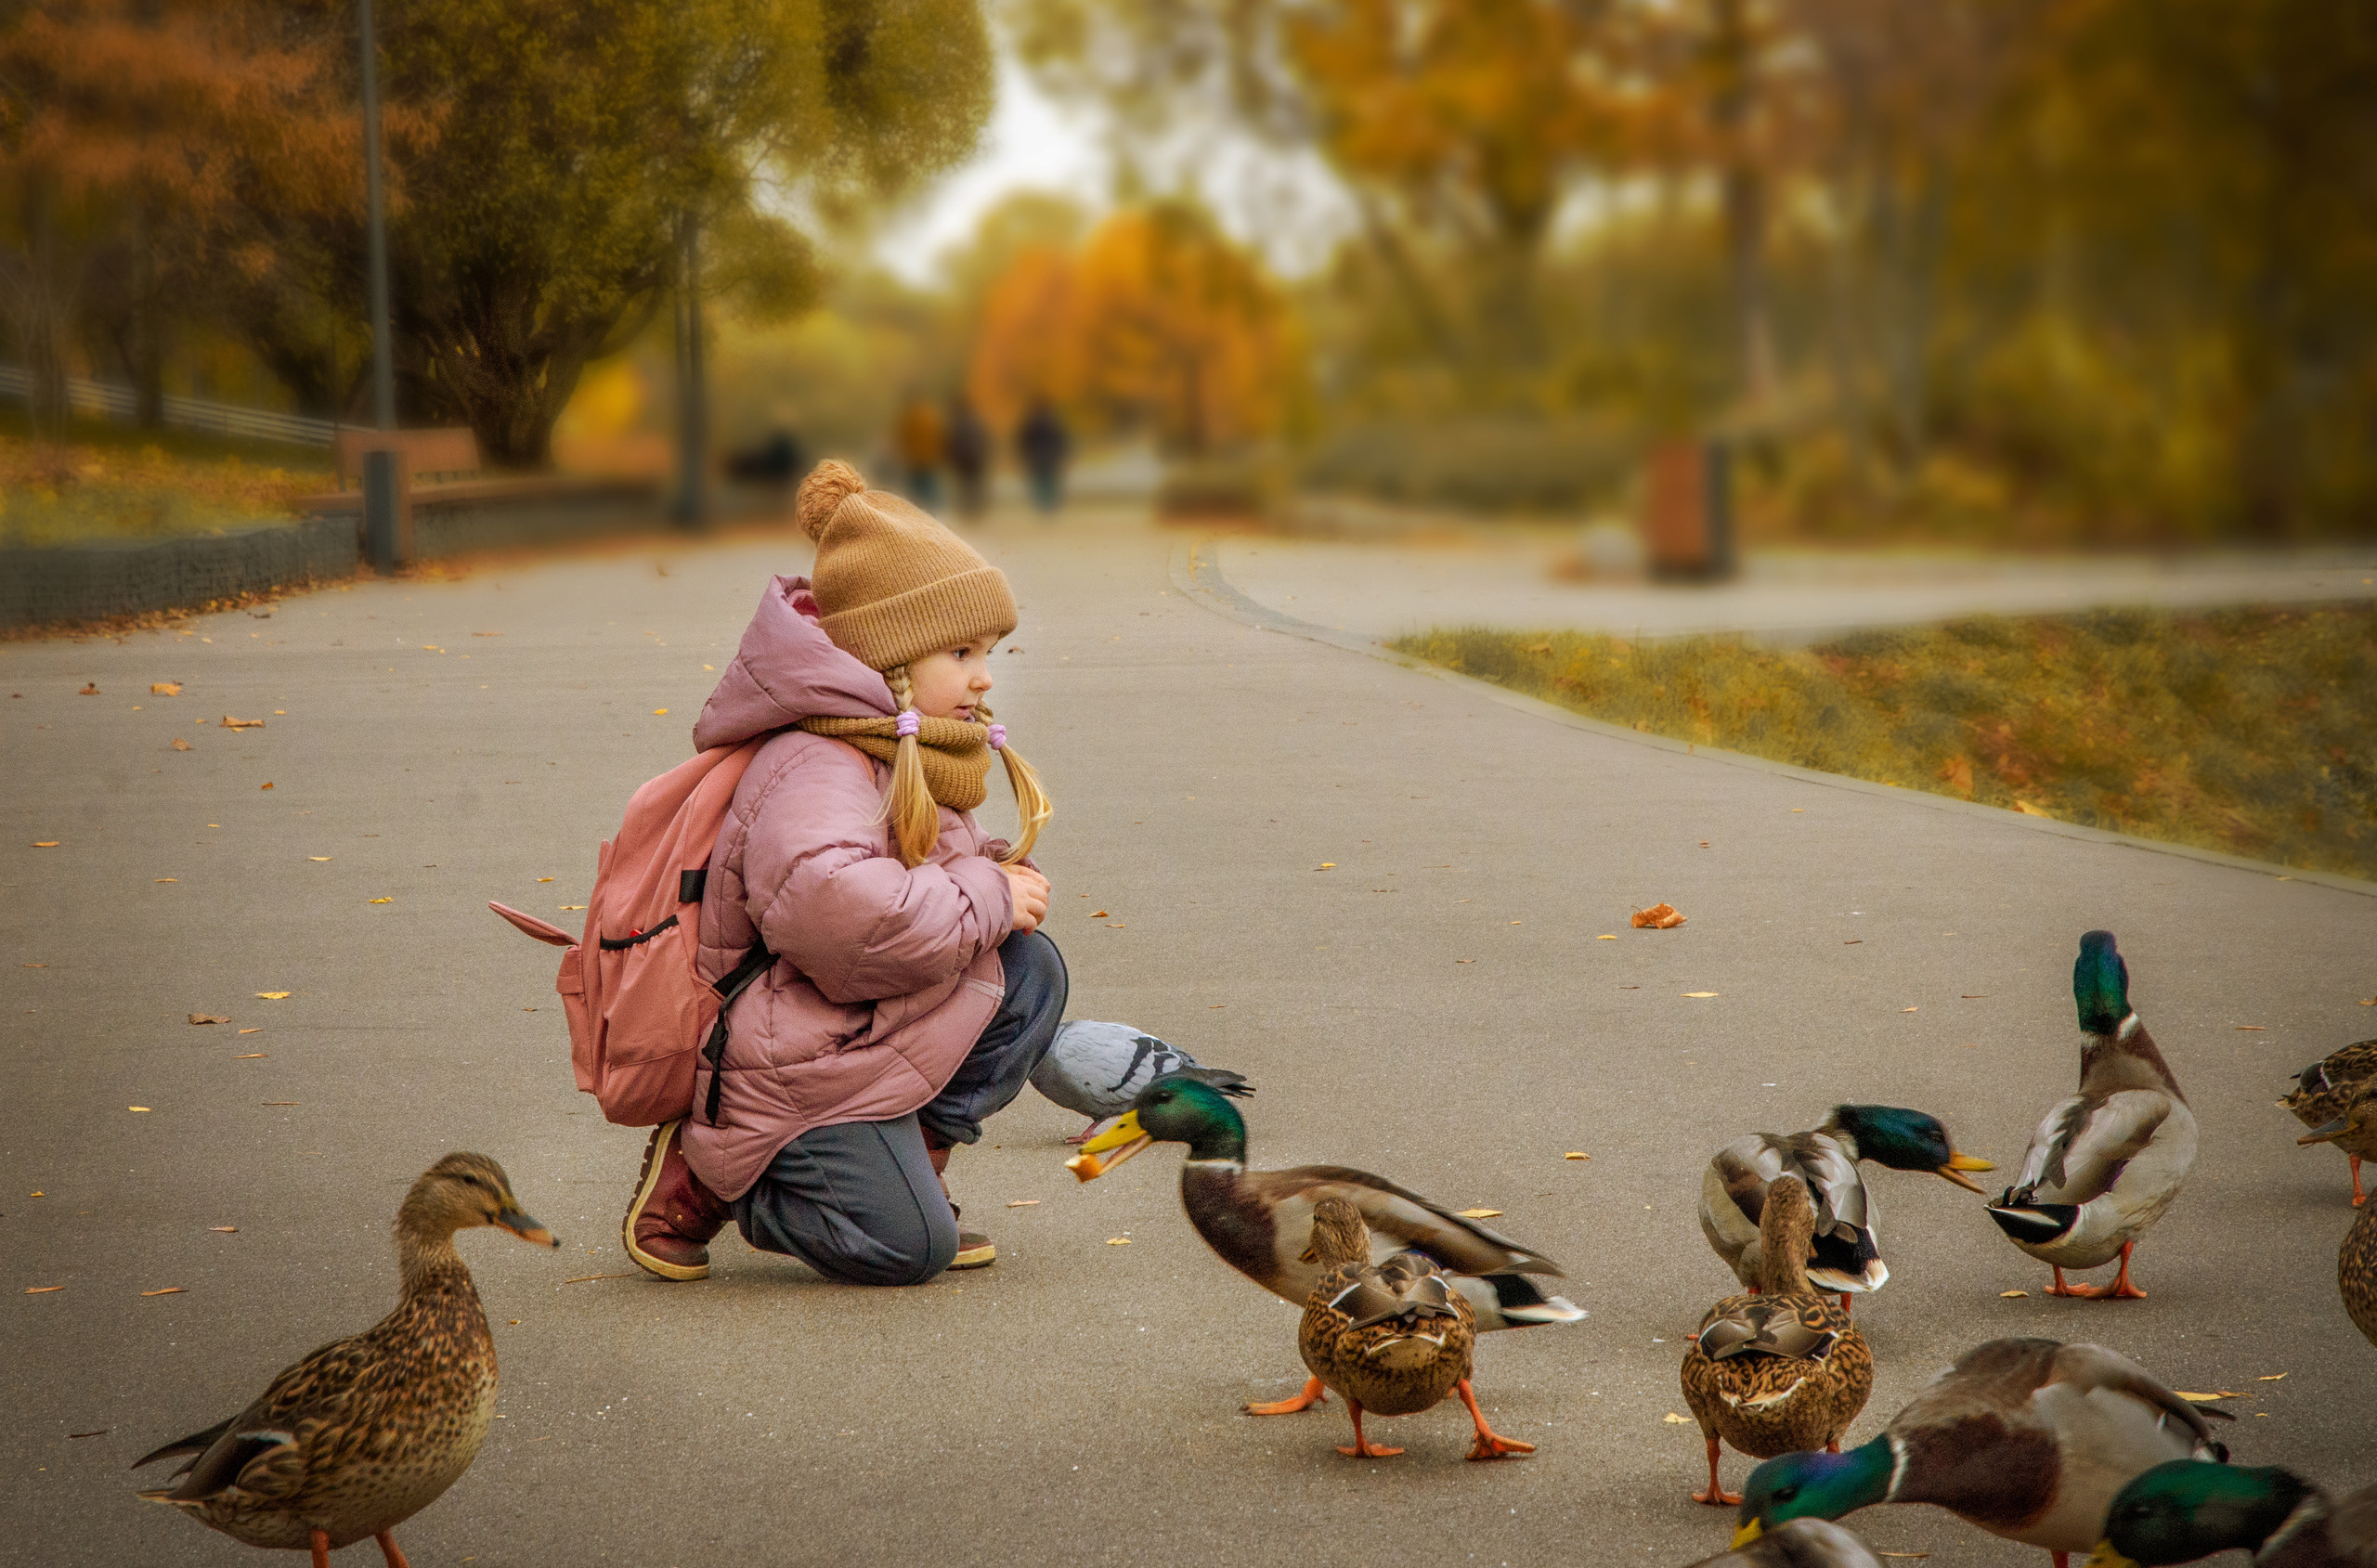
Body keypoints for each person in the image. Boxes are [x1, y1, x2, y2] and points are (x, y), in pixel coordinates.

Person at [622, 459, 1060, 1287]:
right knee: (909, 1252)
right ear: (890, 656)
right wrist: (985, 894)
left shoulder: (906, 741)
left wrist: (991, 876)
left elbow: (910, 876)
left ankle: (912, 1165)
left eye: (990, 650)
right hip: (788, 1065)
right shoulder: (816, 763)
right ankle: (725, 1176)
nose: (985, 674)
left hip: (856, 1032)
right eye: (962, 650)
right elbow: (843, 923)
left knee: (1029, 969)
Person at [1016, 397, 1070, 515]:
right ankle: (1049, 505)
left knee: (1040, 482)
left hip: (1036, 457)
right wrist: (1060, 454)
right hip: (1050, 457)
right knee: (1049, 482)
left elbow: (1023, 441)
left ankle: (1043, 505)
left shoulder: (1030, 423)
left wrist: (1025, 455)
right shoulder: (1054, 422)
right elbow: (1061, 440)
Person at [893, 395, 945, 512]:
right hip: (930, 458)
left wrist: (902, 455)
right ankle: (934, 511)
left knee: (915, 490)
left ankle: (919, 513)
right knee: (929, 487)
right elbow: (940, 434)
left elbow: (902, 438)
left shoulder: (908, 417)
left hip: (915, 459)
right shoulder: (930, 414)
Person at [944, 394, 990, 521]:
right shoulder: (977, 421)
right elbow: (985, 439)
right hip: (977, 458)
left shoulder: (955, 424)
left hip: (962, 459)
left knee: (964, 486)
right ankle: (977, 511)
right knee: (975, 485)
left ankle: (967, 512)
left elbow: (951, 443)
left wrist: (950, 458)